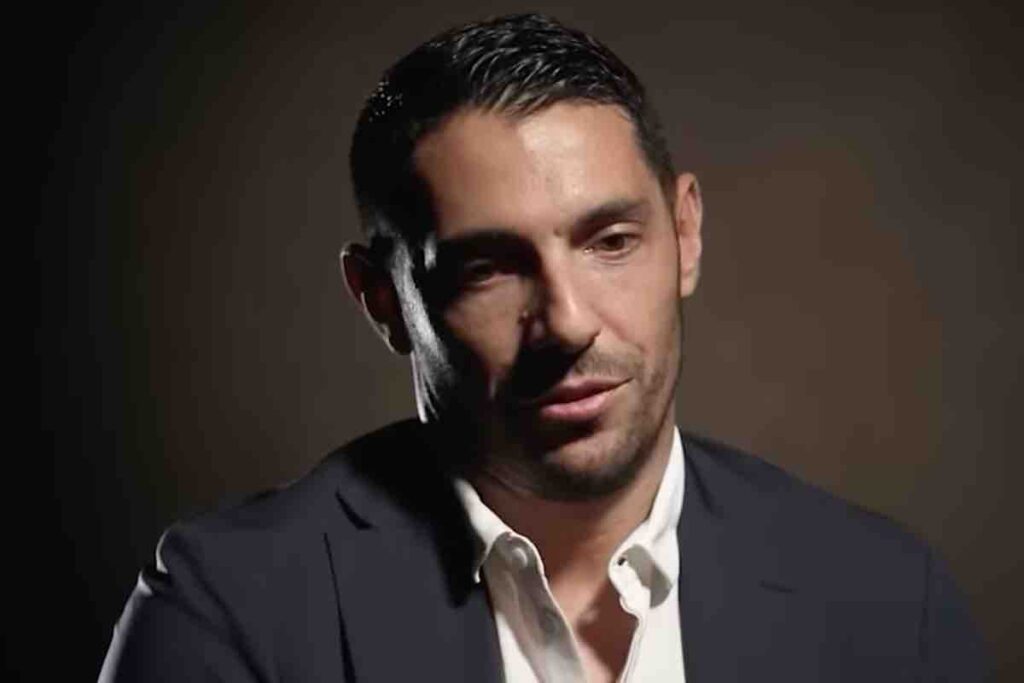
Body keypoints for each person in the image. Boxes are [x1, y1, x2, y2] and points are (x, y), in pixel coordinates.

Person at [99, 13, 987, 682]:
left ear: (686, 233)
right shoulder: (228, 613)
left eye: (611, 242)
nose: (566, 321)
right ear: (383, 299)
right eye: (488, 267)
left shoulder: (888, 602)